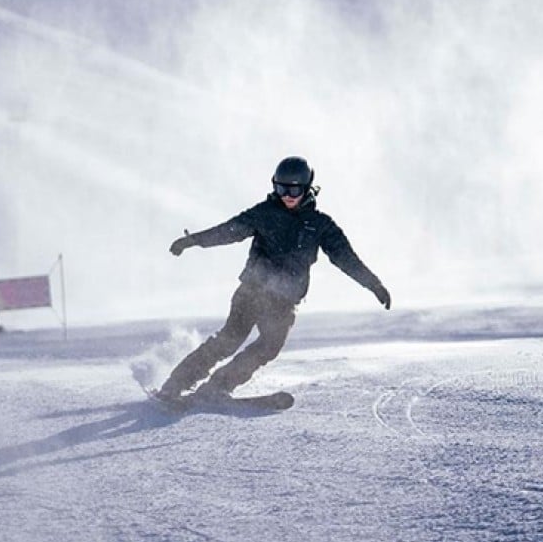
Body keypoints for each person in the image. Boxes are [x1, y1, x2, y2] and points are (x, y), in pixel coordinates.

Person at [156, 156, 391, 402]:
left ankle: (219, 386)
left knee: (269, 346)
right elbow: (230, 230)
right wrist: (193, 240)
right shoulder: (264, 213)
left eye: (294, 189)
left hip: (284, 301)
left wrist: (373, 284)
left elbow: (346, 257)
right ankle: (174, 385)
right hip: (253, 291)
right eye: (281, 188)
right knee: (229, 339)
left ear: (307, 187)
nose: (287, 195)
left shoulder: (320, 224)